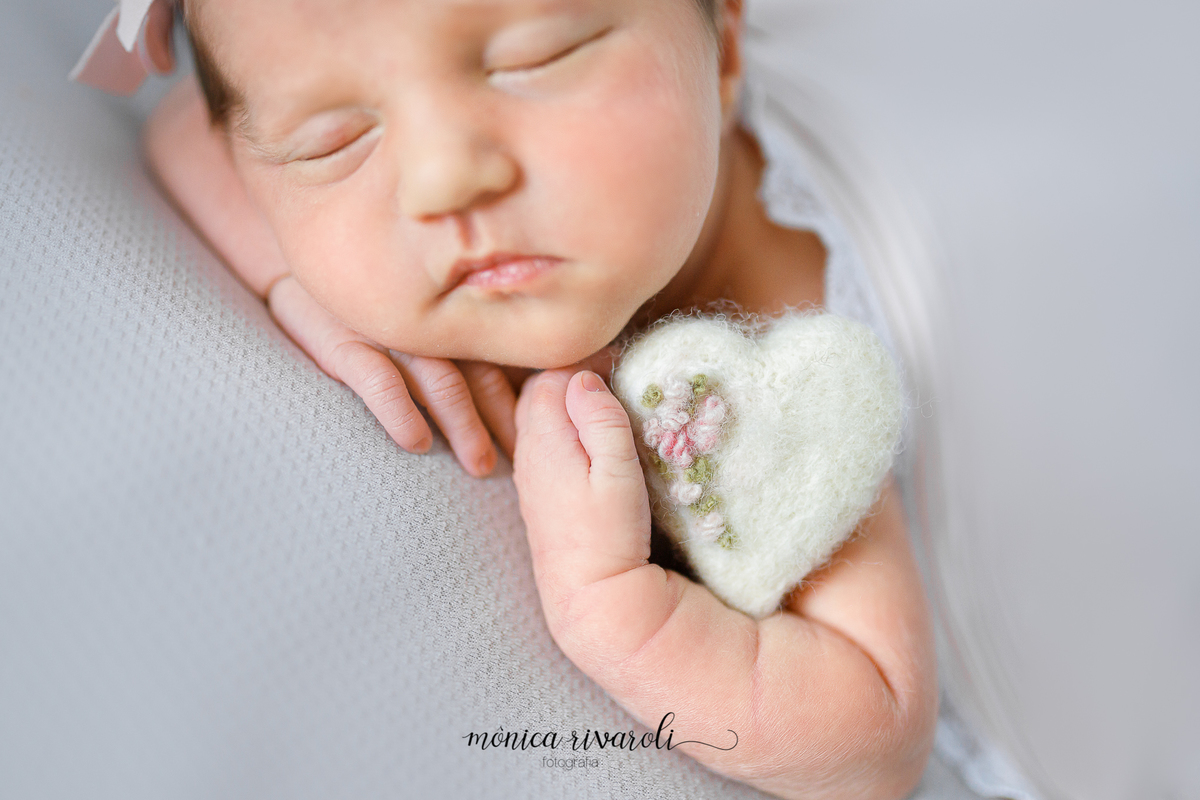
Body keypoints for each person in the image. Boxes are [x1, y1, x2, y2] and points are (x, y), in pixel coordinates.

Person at [138, 0, 938, 796]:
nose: (443, 177)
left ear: (726, 51)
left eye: (535, 62)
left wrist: (619, 604)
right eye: (332, 139)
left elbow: (875, 734)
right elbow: (184, 124)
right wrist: (287, 277)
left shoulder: (800, 346)